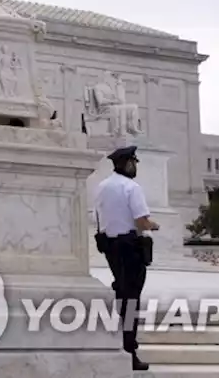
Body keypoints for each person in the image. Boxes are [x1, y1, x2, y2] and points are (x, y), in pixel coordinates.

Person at [94, 145, 158, 371]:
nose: (136, 166)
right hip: (130, 247)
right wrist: (153, 225)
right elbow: (142, 221)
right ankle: (129, 351)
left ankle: (120, 344)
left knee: (122, 295)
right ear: (128, 163)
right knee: (131, 299)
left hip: (111, 247)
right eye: (134, 162)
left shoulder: (101, 187)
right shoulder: (131, 187)